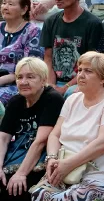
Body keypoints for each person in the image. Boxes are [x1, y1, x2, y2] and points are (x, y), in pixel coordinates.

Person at [30, 52, 104, 201]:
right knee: (38, 193)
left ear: (103, 78)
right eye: (80, 70)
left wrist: (69, 164)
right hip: (66, 170)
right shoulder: (72, 99)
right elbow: (55, 135)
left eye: (88, 71)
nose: (81, 75)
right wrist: (52, 158)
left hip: (99, 175)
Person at [0, 57, 64, 201]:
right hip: (16, 153)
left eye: (30, 77)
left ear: (43, 80)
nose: (23, 82)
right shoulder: (16, 101)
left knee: (16, 187)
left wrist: (21, 173)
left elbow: (41, 141)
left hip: (41, 158)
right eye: (19, 77)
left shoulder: (52, 99)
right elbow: (3, 138)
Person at [40, 0, 103, 95]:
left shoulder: (93, 24)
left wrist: (65, 88)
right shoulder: (50, 21)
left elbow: (92, 63)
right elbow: (48, 58)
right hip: (53, 79)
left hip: (82, 80)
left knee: (70, 93)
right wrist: (51, 85)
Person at [0, 0, 42, 105]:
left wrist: (4, 79)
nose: (5, 7)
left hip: (18, 84)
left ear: (24, 10)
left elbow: (31, 67)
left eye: (11, 4)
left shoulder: (32, 32)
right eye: (4, 3)